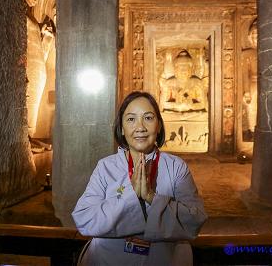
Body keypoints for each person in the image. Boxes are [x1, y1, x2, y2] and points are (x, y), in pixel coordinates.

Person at [72, 91, 207, 265]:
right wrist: (130, 195)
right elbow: (85, 220)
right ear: (121, 127)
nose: (140, 127)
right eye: (131, 119)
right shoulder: (106, 167)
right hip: (107, 260)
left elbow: (194, 221)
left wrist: (151, 196)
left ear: (158, 125)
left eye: (148, 118)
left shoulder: (175, 167)